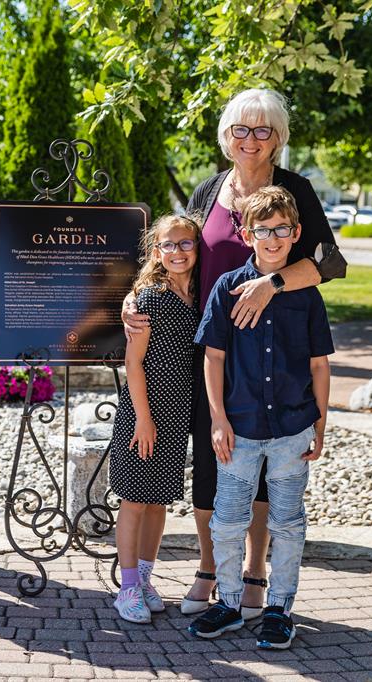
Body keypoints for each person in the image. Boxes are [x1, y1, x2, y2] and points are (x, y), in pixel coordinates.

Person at [122, 88, 345, 621]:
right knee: (213, 460)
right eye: (241, 130)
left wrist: (271, 283)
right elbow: (178, 256)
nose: (251, 140)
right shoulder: (209, 191)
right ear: (226, 137)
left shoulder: (296, 190)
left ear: (278, 138)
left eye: (263, 130)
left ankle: (254, 572)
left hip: (276, 353)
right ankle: (206, 567)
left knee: (266, 466)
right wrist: (136, 293)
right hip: (215, 351)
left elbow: (330, 262)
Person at [187, 186, 333, 649]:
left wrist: (321, 424)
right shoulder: (226, 288)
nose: (273, 239)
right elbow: (213, 358)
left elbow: (319, 365)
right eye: (264, 230)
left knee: (288, 522)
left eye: (282, 231)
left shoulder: (307, 295)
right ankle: (229, 603)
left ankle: (279, 609)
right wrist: (217, 419)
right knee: (228, 520)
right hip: (241, 428)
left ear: (296, 234)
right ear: (247, 234)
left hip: (293, 428)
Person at [109, 214, 202, 624]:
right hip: (144, 410)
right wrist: (143, 420)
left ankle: (146, 577)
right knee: (134, 500)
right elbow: (134, 363)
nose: (178, 252)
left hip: (178, 410)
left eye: (186, 244)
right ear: (155, 251)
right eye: (170, 245)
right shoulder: (149, 299)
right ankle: (127, 587)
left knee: (158, 499)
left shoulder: (199, 295)